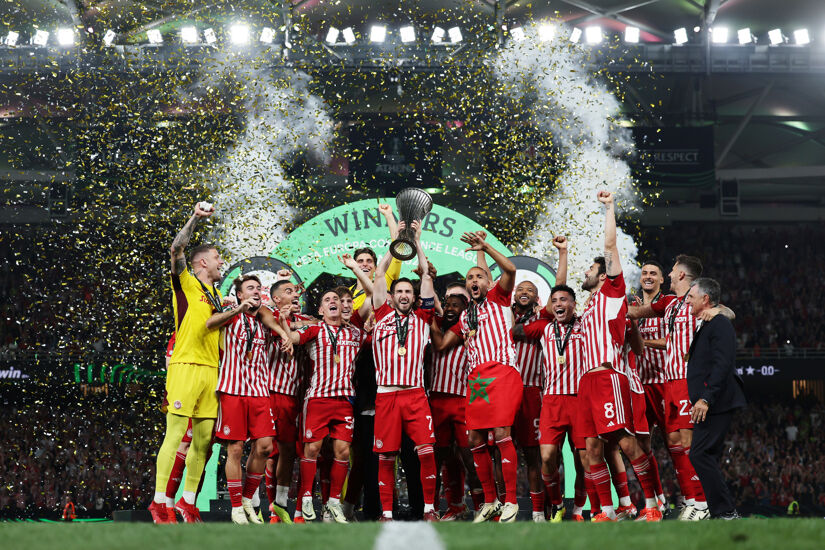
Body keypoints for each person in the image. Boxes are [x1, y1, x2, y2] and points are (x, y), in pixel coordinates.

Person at [576, 191, 662, 523]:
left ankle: (652, 505)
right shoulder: (588, 307)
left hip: (607, 376)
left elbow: (610, 248)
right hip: (586, 382)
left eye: (589, 270)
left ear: (602, 276)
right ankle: (608, 512)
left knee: (625, 444)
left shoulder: (612, 296)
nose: (585, 273)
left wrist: (609, 207)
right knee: (592, 450)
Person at [628, 255, 735, 520]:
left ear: (682, 276)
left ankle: (702, 502)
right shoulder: (671, 303)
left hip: (688, 381)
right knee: (675, 442)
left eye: (673, 270)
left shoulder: (697, 300)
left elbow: (729, 313)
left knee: (689, 443)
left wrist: (719, 310)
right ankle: (690, 499)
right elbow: (645, 319)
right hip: (669, 382)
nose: (671, 273)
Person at [430, 231, 523, 523]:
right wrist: (429, 317)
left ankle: (511, 501)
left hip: (503, 372)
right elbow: (443, 344)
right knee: (474, 438)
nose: (473, 281)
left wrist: (484, 248)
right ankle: (490, 500)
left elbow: (509, 269)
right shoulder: (467, 316)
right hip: (478, 379)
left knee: (502, 434)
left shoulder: (498, 297)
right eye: (469, 278)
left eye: (478, 277)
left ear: (488, 282)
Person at [149, 202, 225, 524]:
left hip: (212, 371)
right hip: (186, 367)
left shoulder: (216, 295)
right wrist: (195, 217)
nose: (223, 263)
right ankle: (157, 503)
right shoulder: (186, 282)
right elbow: (176, 247)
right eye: (219, 258)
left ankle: (187, 503)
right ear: (203, 262)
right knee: (175, 433)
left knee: (204, 440)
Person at [279, 286, 371, 523]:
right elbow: (294, 336)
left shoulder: (355, 334)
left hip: (344, 402)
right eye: (327, 300)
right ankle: (307, 496)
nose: (333, 302)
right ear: (320, 310)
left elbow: (374, 308)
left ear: (343, 308)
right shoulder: (315, 329)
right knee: (312, 450)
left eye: (337, 300)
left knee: (342, 452)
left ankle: (333, 504)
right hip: (318, 399)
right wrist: (289, 333)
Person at [370, 221, 439, 521]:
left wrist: (418, 242)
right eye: (398, 290)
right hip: (386, 396)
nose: (403, 295)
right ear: (392, 295)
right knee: (386, 456)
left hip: (415, 395)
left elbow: (425, 275)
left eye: (408, 291)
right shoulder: (381, 313)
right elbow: (377, 274)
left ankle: (429, 509)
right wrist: (396, 243)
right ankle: (386, 512)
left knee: (426, 451)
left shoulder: (423, 317)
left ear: (413, 296)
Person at [211, 275, 278, 524]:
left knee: (265, 447)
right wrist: (237, 308)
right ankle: (236, 506)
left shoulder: (264, 319)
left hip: (260, 391)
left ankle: (248, 499)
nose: (256, 291)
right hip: (233, 390)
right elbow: (209, 323)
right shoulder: (231, 313)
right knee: (236, 449)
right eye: (251, 288)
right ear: (239, 294)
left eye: (259, 288)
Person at [684, 277, 746, 520]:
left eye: (691, 296)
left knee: (699, 454)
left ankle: (726, 511)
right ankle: (723, 512)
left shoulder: (718, 323)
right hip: (710, 403)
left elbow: (723, 364)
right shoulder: (708, 321)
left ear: (705, 299)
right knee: (703, 455)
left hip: (715, 403)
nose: (687, 300)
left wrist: (706, 399)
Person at [428, 290, 483, 519]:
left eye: (456, 305)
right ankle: (447, 507)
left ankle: (483, 505)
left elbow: (440, 346)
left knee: (469, 457)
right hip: (436, 401)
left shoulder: (465, 328)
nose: (450, 309)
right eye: (447, 305)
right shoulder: (434, 328)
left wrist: (428, 317)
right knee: (440, 458)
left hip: (461, 400)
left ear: (465, 309)